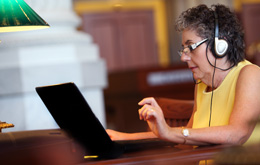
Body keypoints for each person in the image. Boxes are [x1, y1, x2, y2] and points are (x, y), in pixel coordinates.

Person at [106, 4, 260, 145]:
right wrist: (124, 137)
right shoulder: (202, 84)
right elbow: (189, 134)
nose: (183, 57)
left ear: (219, 46)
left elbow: (237, 134)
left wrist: (169, 131)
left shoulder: (250, 74)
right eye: (184, 49)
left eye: (191, 47)